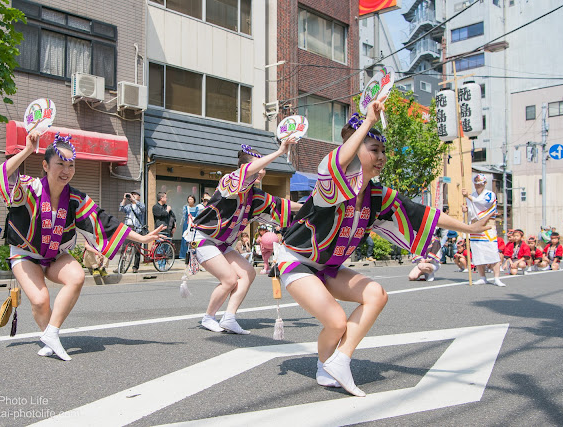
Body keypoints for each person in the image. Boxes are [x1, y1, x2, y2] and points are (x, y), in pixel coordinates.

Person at [275, 101, 494, 397]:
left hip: (328, 267)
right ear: (355, 150)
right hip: (296, 260)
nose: (381, 157)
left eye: (382, 150)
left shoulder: (378, 195)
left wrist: (470, 228)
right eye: (373, 149)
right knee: (336, 321)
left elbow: (423, 213)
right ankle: (330, 362)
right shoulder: (333, 182)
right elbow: (333, 163)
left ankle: (334, 362)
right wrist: (367, 122)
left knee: (376, 295)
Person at [0, 131, 165, 361]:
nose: (66, 170)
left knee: (76, 277)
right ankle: (48, 335)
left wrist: (142, 239)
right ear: (45, 165)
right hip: (25, 254)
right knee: (40, 300)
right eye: (60, 164)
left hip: (56, 253)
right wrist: (26, 150)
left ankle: (51, 334)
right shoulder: (29, 188)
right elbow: (3, 178)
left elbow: (106, 222)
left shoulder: (76, 199)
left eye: (71, 165)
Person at [188, 138, 301, 334]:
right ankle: (208, 317)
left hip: (220, 243)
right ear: (244, 169)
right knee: (229, 279)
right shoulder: (228, 182)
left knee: (248, 272)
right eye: (259, 167)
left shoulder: (255, 195)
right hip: (202, 237)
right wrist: (279, 152)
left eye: (263, 168)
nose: (262, 172)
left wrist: (315, 205)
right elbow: (246, 172)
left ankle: (229, 317)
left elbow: (282, 205)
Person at [462, 174, 505, 286]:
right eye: (476, 184)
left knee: (492, 251)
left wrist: (469, 197)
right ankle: (482, 277)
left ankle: (496, 278)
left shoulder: (490, 195)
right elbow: (471, 212)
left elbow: (483, 203)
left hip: (487, 225)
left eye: (480, 184)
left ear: (485, 184)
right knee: (477, 252)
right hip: (475, 225)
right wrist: (466, 210)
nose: (478, 186)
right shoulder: (471, 195)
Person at [119, 189, 146, 273]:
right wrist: (124, 199)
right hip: (128, 228)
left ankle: (135, 267)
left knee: (137, 249)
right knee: (124, 248)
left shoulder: (141, 205)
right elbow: (121, 209)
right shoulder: (128, 206)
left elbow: (143, 209)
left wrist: (134, 200)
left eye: (135, 194)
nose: (133, 195)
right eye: (132, 194)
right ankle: (121, 266)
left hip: (137, 229)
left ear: (139, 196)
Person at [179, 195, 202, 260]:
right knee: (185, 239)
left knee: (193, 239)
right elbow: (183, 217)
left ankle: (193, 254)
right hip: (186, 224)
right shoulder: (185, 208)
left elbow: (197, 216)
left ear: (194, 200)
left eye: (191, 199)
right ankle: (184, 255)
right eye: (189, 199)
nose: (190, 201)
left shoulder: (197, 208)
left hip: (193, 224)